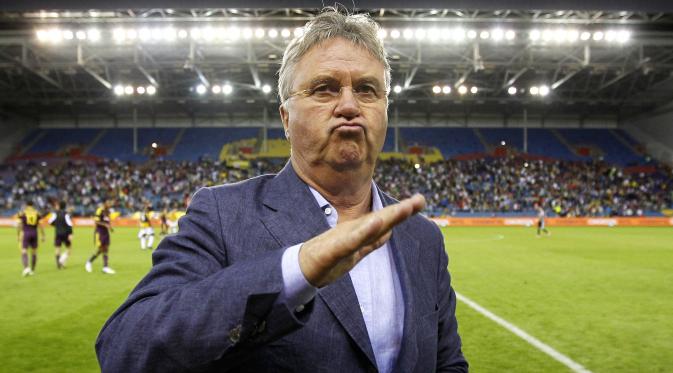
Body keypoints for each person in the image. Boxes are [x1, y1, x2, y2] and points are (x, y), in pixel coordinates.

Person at [96, 8, 467, 372]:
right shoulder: (224, 215)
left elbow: (447, 362)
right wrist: (295, 270)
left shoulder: (423, 237)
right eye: (325, 89)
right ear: (286, 118)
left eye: (368, 90)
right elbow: (126, 348)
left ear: (385, 110)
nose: (350, 105)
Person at [85, 200, 115, 274]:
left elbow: (108, 221)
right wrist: (104, 224)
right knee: (101, 249)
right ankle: (89, 262)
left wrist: (110, 227)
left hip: (106, 233)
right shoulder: (99, 210)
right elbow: (96, 221)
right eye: (109, 203)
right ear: (105, 203)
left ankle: (105, 267)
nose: (110, 205)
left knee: (106, 248)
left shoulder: (108, 212)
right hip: (100, 232)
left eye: (110, 204)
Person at [17, 200, 45, 276]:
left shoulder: (23, 213)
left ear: (26, 205)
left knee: (24, 251)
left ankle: (26, 268)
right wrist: (43, 235)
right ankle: (32, 270)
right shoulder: (37, 213)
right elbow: (41, 225)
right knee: (34, 252)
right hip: (34, 233)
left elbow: (19, 224)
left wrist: (18, 234)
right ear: (33, 205)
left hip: (26, 232)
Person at [48, 200, 74, 269]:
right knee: (69, 249)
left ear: (59, 206)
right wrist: (71, 234)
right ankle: (61, 261)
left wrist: (56, 225)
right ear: (65, 206)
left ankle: (58, 264)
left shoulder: (55, 213)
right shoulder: (66, 214)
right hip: (65, 233)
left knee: (57, 249)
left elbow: (50, 222)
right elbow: (69, 224)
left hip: (58, 233)